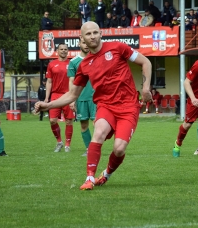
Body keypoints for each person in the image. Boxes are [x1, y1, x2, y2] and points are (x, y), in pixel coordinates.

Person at [34, 21, 152, 190]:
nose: (93, 36)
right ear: (81, 38)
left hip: (128, 106)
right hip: (106, 106)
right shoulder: (84, 65)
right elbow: (72, 94)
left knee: (119, 149)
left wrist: (146, 88)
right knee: (98, 133)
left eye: (95, 32)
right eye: (88, 34)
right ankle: (89, 178)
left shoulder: (118, 47)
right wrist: (48, 105)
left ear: (100, 34)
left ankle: (105, 175)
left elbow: (146, 62)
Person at [68, 39, 96, 156]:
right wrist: (72, 99)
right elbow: (71, 81)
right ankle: (89, 149)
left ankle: (95, 149)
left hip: (96, 97)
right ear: (79, 44)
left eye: (87, 42)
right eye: (83, 43)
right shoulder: (74, 62)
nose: (86, 45)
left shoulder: (96, 58)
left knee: (97, 124)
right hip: (81, 98)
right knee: (84, 125)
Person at [45, 43, 75, 153]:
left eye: (65, 49)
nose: (63, 51)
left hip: (68, 95)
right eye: (61, 49)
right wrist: (46, 98)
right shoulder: (52, 64)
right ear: (57, 51)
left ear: (68, 51)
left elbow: (75, 81)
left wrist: (73, 98)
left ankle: (67, 145)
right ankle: (59, 142)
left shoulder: (72, 63)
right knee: (52, 120)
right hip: (55, 95)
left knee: (69, 121)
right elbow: (49, 81)